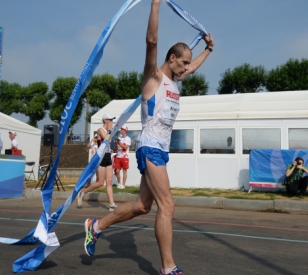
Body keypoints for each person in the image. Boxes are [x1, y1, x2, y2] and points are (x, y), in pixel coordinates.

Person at [83, 1, 214, 274]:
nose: (187, 68)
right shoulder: (153, 78)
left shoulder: (175, 81)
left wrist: (208, 50)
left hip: (159, 149)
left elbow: (193, 68)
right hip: (150, 146)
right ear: (171, 58)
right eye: (184, 62)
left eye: (189, 64)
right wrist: (155, 4)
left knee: (143, 206)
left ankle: (96, 226)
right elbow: (152, 40)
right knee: (167, 205)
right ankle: (169, 268)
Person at [77, 114, 118, 211]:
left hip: (107, 155)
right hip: (101, 157)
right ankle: (83, 192)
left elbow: (108, 144)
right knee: (100, 183)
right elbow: (106, 140)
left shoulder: (109, 130)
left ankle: (111, 203)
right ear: (106, 121)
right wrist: (109, 130)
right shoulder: (101, 130)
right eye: (111, 120)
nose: (112, 122)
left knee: (109, 182)